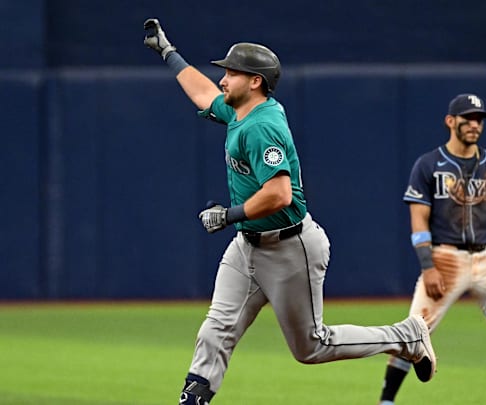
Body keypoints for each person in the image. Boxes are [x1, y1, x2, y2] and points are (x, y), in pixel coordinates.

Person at [142, 18, 436, 405]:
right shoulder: (239, 112)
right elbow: (201, 94)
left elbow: (279, 194)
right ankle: (193, 398)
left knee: (311, 347)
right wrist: (168, 52)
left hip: (289, 247)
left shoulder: (261, 126)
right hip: (247, 246)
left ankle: (407, 335)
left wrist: (228, 215)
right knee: (216, 329)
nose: (224, 79)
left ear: (255, 82)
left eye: (231, 72)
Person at [377, 94, 486, 405]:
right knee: (415, 329)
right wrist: (427, 265)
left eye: (479, 119)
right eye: (467, 118)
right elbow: (418, 219)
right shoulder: (429, 165)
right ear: (450, 121)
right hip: (445, 259)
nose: (474, 124)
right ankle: (387, 401)